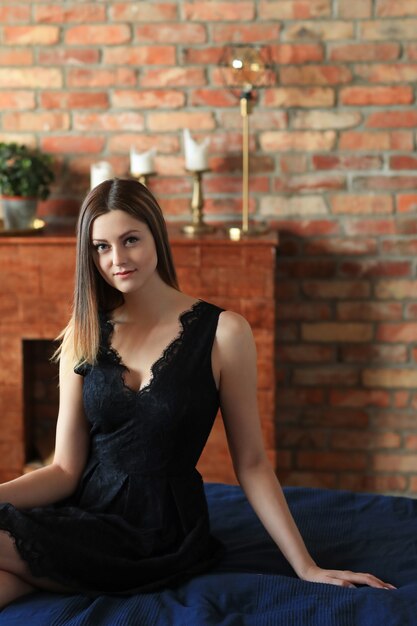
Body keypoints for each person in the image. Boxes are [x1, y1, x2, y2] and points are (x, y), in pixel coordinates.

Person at [0, 179, 394, 607]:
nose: (117, 259)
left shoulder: (225, 332)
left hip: (159, 530)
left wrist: (307, 567)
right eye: (101, 247)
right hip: (82, 513)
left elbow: (253, 463)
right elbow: (63, 470)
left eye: (130, 240)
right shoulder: (85, 332)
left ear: (156, 234)